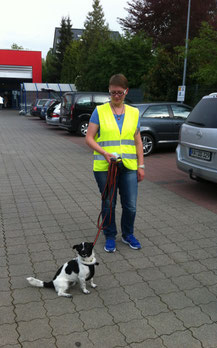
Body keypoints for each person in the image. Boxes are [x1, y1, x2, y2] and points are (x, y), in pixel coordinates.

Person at [86, 74, 145, 253]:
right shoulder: (100, 111)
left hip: (128, 166)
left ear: (126, 91)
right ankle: (110, 236)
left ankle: (128, 234)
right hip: (105, 167)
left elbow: (138, 142)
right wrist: (104, 152)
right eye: (113, 93)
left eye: (120, 92)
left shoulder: (134, 113)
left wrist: (141, 166)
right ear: (109, 91)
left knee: (130, 205)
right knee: (108, 203)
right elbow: (89, 138)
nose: (116, 96)